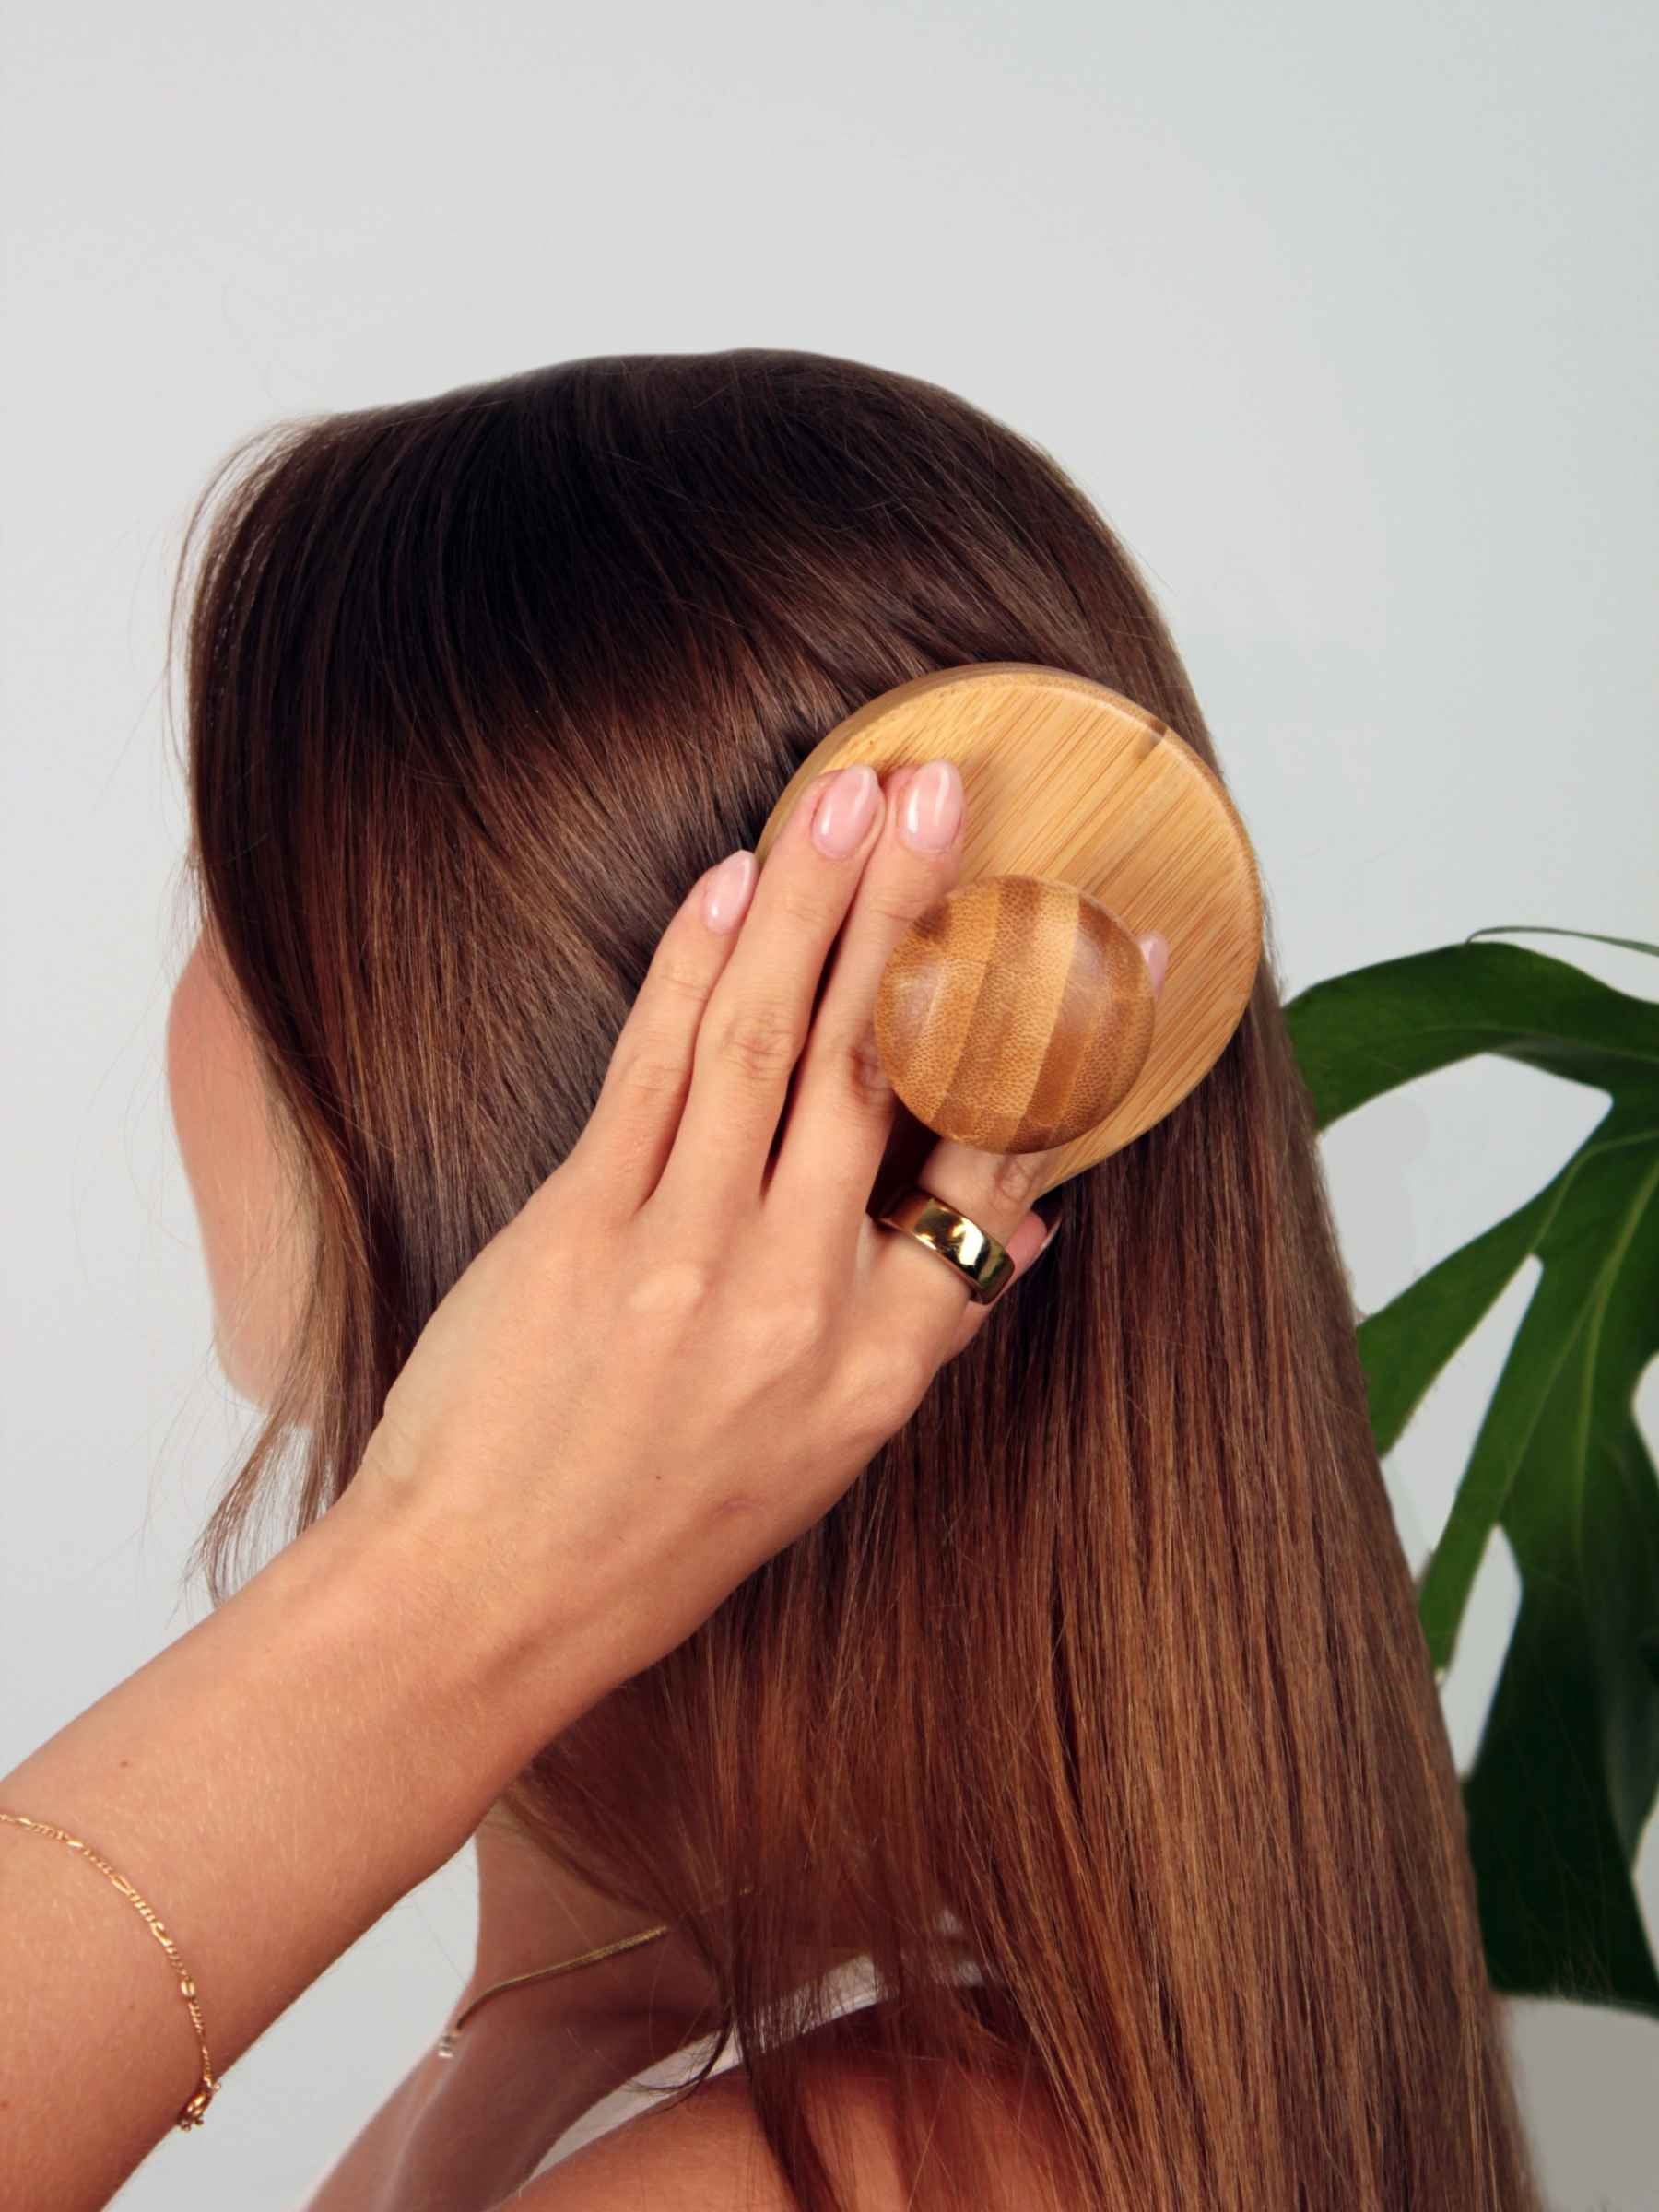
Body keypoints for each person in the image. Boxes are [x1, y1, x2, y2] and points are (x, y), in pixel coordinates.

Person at [0, 348, 1545, 2212]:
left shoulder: (820, 2177)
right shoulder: (645, 2068)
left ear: (502, 1102)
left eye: (228, 905)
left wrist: (444, 1594)